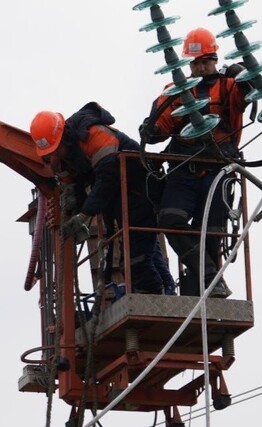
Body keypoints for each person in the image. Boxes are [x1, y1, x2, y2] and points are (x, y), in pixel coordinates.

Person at [139, 27, 252, 298]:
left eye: (206, 61)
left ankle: (208, 283)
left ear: (214, 59)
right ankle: (210, 277)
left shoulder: (228, 85)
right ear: (189, 64)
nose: (201, 67)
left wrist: (244, 75)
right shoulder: (174, 92)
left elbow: (248, 93)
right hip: (184, 168)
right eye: (197, 63)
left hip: (218, 168)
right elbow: (160, 125)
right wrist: (151, 130)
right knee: (169, 218)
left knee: (212, 232)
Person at [30, 102, 165, 294]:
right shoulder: (66, 154)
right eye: (50, 152)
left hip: (140, 189)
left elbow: (108, 177)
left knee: (137, 256)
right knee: (134, 251)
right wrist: (77, 215)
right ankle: (155, 291)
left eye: (56, 148)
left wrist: (84, 215)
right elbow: (77, 186)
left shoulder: (94, 135)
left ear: (65, 136)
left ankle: (156, 295)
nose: (55, 154)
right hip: (120, 197)